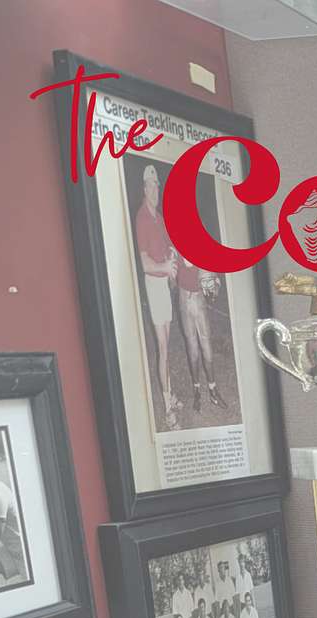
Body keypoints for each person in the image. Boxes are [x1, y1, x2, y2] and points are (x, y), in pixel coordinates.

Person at [133, 163, 180, 430]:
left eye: (158, 186)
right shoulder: (141, 218)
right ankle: (167, 409)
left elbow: (168, 244)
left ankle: (169, 394)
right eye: (151, 186)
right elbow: (144, 263)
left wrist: (173, 254)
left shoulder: (159, 218)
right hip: (154, 284)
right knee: (162, 348)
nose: (156, 191)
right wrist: (165, 267)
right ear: (144, 188)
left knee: (167, 347)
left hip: (165, 285)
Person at [176, 254, 225, 415]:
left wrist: (214, 286)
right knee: (193, 349)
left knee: (207, 347)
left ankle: (212, 389)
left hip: (199, 299)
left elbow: (214, 278)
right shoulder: (176, 245)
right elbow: (174, 272)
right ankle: (196, 389)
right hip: (184, 299)